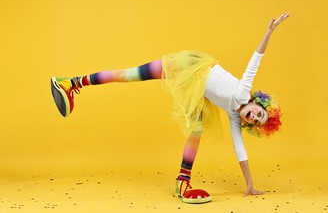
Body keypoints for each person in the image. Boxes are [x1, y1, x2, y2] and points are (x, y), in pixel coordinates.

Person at [50, 12, 289, 204]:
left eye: (256, 121)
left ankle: (70, 83)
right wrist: (269, 31)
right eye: (259, 112)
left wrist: (249, 184)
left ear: (250, 126)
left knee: (131, 77)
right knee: (134, 80)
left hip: (188, 76)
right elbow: (255, 60)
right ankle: (182, 181)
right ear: (258, 101)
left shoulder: (234, 116)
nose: (254, 116)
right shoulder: (242, 92)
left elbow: (240, 151)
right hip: (189, 66)